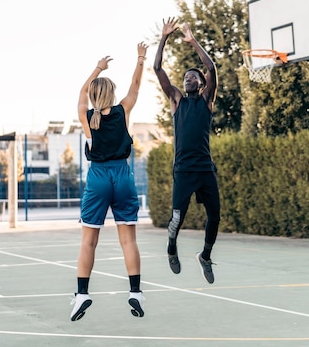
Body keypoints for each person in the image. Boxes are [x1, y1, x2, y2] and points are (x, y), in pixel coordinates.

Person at [70, 41, 149, 321]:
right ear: (113, 94)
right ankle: (135, 292)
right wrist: (140, 57)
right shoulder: (123, 111)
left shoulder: (87, 117)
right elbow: (136, 85)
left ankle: (82, 294)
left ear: (92, 96)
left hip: (99, 178)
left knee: (88, 241)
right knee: (128, 241)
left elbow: (81, 93)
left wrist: (97, 68)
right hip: (123, 176)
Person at [153, 17, 220, 284]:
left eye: (193, 76)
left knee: (214, 216)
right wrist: (164, 37)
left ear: (201, 83)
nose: (188, 78)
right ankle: (171, 247)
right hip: (183, 170)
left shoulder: (206, 101)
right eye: (185, 77)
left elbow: (212, 67)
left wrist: (192, 41)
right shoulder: (176, 100)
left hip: (205, 169)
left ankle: (205, 255)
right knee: (176, 219)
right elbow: (157, 67)